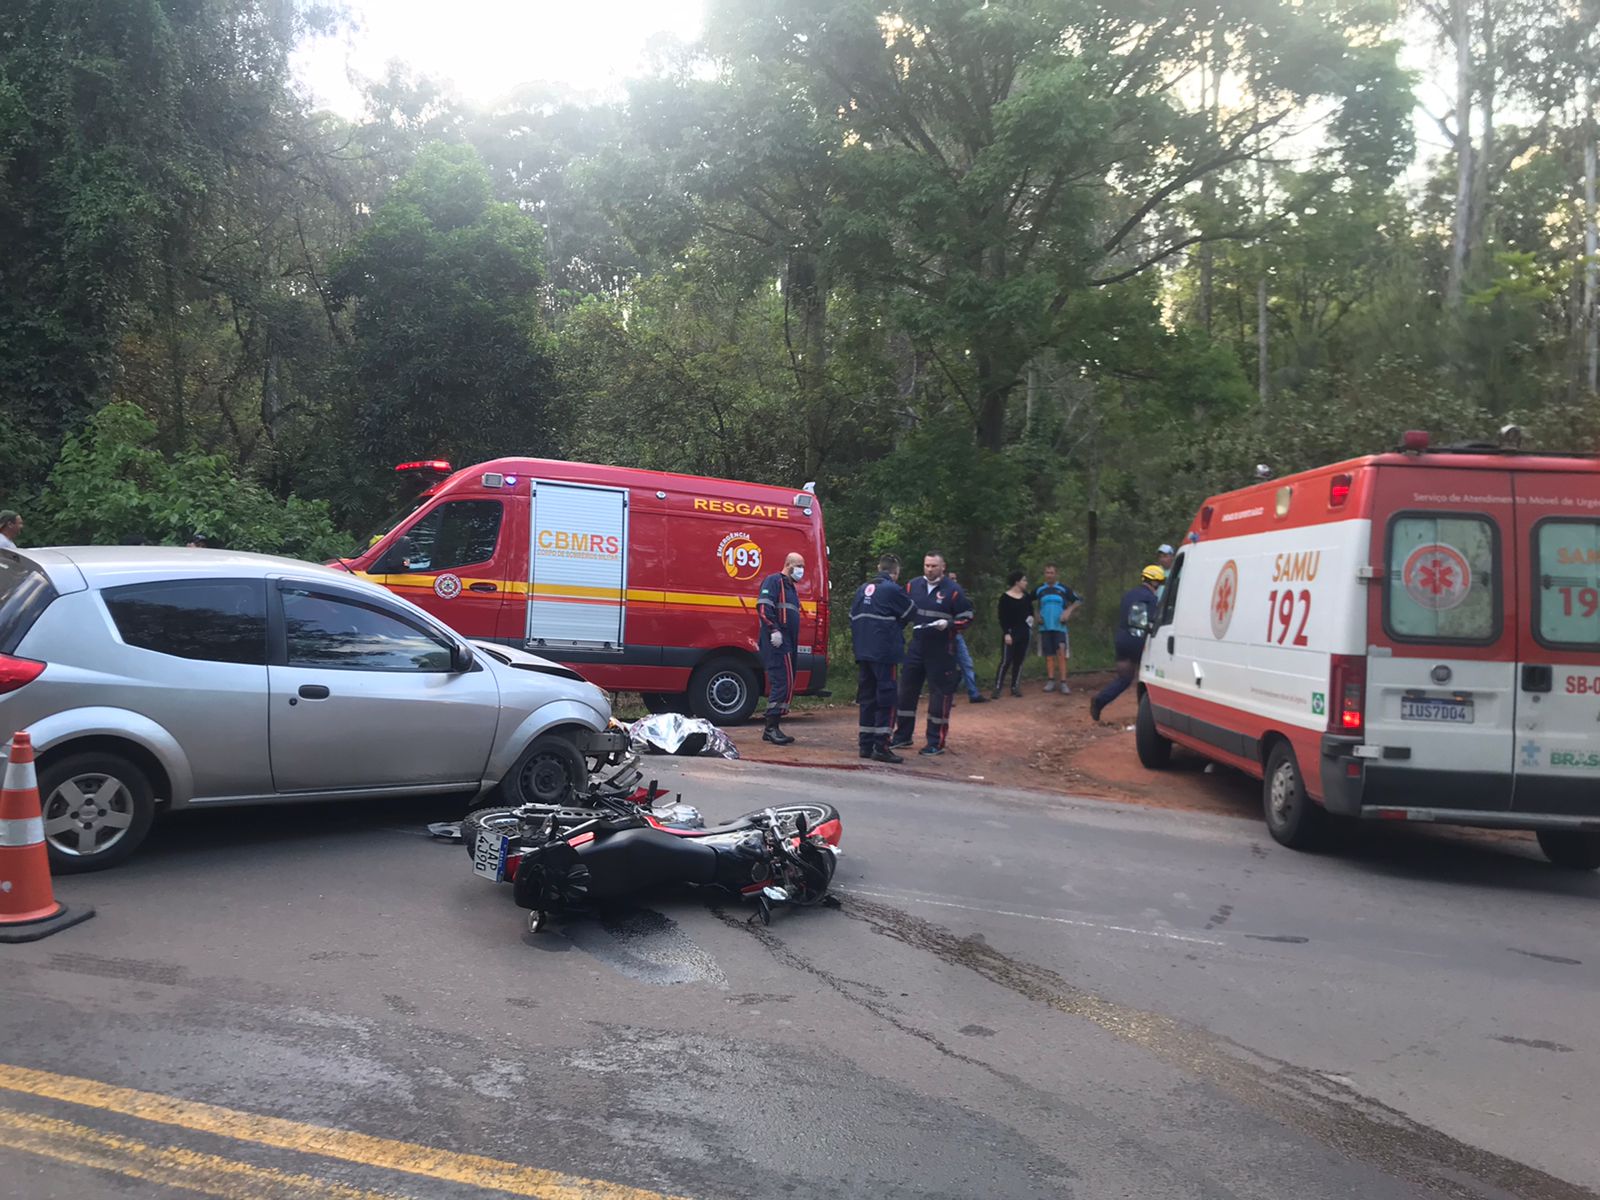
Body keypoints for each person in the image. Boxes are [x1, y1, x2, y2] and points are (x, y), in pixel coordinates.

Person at [889, 552, 974, 757]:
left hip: (942, 649)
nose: (929, 570)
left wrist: (950, 624)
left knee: (939, 697)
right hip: (917, 646)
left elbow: (968, 617)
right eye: (926, 565)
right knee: (906, 691)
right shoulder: (913, 586)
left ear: (943, 567)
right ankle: (902, 735)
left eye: (934, 566)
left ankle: (936, 741)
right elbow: (901, 610)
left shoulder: (953, 591)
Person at [850, 553, 917, 763]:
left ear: (879, 567)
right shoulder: (892, 589)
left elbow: (853, 617)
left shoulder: (862, 589)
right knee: (887, 699)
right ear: (895, 572)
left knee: (867, 698)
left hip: (863, 651)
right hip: (885, 652)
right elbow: (911, 612)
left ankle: (865, 745)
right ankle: (882, 746)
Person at [1089, 564, 1166, 722]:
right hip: (1138, 642)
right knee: (1151, 678)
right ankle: (1147, 717)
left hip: (1122, 639)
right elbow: (1153, 621)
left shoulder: (1129, 594)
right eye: (1159, 583)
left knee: (1124, 678)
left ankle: (1100, 701)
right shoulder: (1151, 599)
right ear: (1155, 582)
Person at [756, 552, 805, 744]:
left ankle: (774, 725)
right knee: (781, 682)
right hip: (777, 641)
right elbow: (763, 607)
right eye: (799, 565)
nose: (802, 570)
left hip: (788, 642)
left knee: (786, 681)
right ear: (789, 564)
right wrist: (773, 630)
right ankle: (771, 727)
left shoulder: (791, 588)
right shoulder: (774, 581)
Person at [1035, 564, 1084, 694]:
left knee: (1061, 654)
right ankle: (1051, 680)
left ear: (1056, 574)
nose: (1049, 575)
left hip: (1060, 627)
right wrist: (1036, 614)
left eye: (1051, 573)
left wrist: (1068, 611)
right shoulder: (1040, 590)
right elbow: (1028, 601)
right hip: (1045, 627)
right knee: (1049, 655)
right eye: (1047, 573)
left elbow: (1078, 600)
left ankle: (1063, 682)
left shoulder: (1063, 589)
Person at [945, 571, 987, 704]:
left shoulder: (959, 596)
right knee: (947, 667)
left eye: (955, 578)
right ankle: (947, 697)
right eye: (951, 578)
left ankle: (973, 693)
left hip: (956, 635)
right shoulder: (940, 596)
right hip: (943, 637)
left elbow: (965, 614)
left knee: (967, 663)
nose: (954, 581)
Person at [992, 570, 1032, 698]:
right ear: (1017, 582)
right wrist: (1006, 633)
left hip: (1024, 633)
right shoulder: (1005, 598)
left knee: (1019, 661)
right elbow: (1002, 617)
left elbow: (1030, 612)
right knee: (1006, 660)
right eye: (1024, 580)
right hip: (1010, 633)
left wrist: (1030, 624)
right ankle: (997, 687)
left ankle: (1015, 686)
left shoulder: (1026, 597)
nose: (1026, 582)